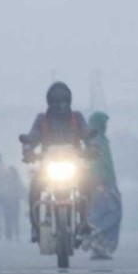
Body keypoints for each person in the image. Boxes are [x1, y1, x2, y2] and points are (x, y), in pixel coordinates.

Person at [21, 82, 93, 243]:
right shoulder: (42, 120)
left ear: (69, 101)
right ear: (49, 102)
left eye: (63, 102)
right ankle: (35, 226)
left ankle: (84, 220)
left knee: (87, 184)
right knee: (34, 189)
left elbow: (87, 134)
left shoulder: (77, 118)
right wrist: (28, 149)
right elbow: (32, 136)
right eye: (55, 102)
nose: (60, 106)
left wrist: (92, 147)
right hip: (48, 167)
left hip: (74, 166)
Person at [85, 112, 122, 260]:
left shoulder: (100, 140)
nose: (106, 126)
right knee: (109, 214)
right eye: (104, 123)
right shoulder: (96, 141)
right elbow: (96, 164)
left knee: (103, 214)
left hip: (107, 183)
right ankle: (95, 240)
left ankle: (99, 246)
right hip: (101, 184)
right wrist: (99, 183)